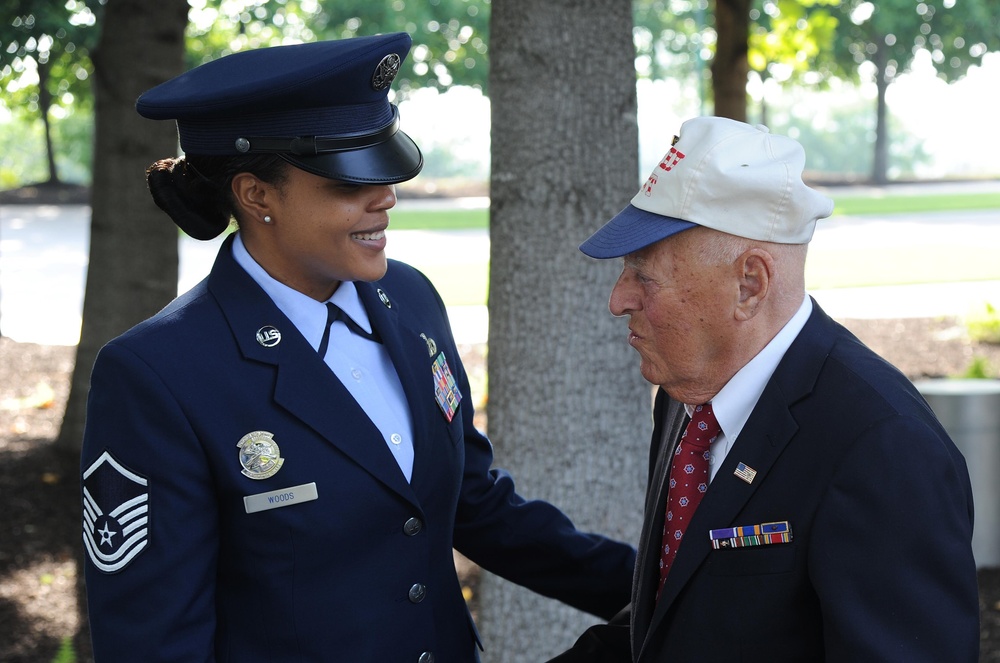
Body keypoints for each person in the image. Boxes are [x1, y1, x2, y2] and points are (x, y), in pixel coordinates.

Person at [79, 33, 636, 662]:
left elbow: (472, 502)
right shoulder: (160, 374)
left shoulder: (411, 299)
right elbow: (154, 641)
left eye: (385, 169)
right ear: (256, 194)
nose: (386, 197)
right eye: (349, 180)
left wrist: (665, 586)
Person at [552, 116, 980, 662]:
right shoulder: (688, 400)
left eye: (645, 275)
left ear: (750, 284)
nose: (619, 299)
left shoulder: (882, 448)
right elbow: (677, 614)